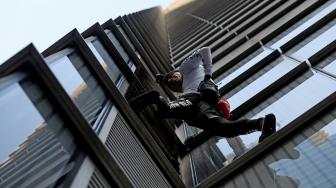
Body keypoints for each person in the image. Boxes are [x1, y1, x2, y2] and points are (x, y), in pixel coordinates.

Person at [129, 47, 276, 146]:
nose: (171, 81)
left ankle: (154, 97)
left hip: (194, 100)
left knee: (166, 110)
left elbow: (205, 50)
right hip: (201, 108)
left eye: (172, 76)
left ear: (178, 72)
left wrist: (208, 74)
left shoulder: (185, 68)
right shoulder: (187, 81)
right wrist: (163, 80)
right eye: (169, 83)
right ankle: (262, 124)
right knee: (224, 128)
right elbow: (171, 81)